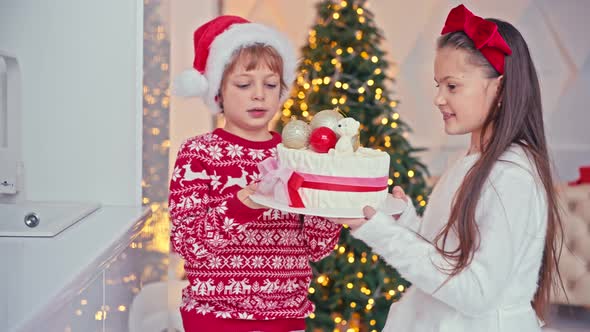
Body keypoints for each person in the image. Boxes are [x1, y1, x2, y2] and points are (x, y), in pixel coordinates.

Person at [330, 4, 563, 331]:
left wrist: (383, 234)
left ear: (499, 88)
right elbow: (447, 259)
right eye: (438, 85)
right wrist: (402, 221)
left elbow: (475, 292)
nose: (438, 98)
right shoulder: (471, 162)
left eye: (452, 86)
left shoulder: (511, 176)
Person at [168, 15, 342, 332]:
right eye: (244, 84)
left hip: (285, 317)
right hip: (216, 318)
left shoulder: (296, 157)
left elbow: (317, 247)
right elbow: (187, 243)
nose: (259, 94)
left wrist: (330, 204)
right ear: (217, 90)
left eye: (271, 85)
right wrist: (243, 204)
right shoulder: (199, 154)